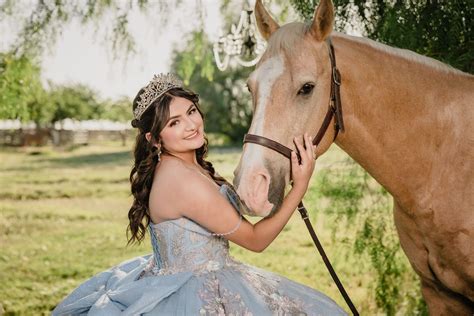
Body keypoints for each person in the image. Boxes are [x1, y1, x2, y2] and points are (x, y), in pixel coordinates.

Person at [52, 73, 346, 315]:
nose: (191, 125)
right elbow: (256, 241)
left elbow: (228, 210)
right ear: (154, 139)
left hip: (190, 276)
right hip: (194, 292)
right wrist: (301, 186)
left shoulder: (183, 165)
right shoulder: (181, 181)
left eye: (190, 112)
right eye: (174, 123)